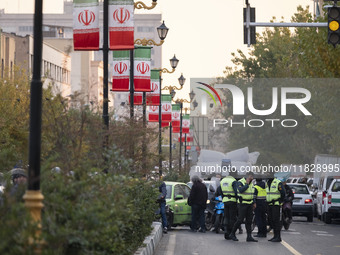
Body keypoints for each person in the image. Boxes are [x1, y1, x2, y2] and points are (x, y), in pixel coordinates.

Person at [229, 172, 258, 242]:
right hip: (242, 204)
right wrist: (246, 184)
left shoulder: (252, 183)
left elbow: (252, 194)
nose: (252, 178)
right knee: (240, 220)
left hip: (249, 204)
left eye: (252, 177)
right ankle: (232, 233)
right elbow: (240, 190)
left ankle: (249, 236)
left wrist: (254, 202)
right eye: (251, 176)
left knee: (249, 221)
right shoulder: (240, 182)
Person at [215, 174, 238, 240]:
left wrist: (223, 197)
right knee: (232, 218)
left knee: (226, 217)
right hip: (233, 201)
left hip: (225, 201)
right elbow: (236, 191)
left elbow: (219, 191)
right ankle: (231, 233)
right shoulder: (233, 181)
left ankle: (226, 232)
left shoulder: (223, 181)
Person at [266, 176, 286, 242]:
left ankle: (278, 236)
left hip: (276, 204)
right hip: (269, 204)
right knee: (271, 220)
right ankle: (275, 236)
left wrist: (280, 201)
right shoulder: (267, 183)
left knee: (276, 220)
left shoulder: (277, 182)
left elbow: (283, 192)